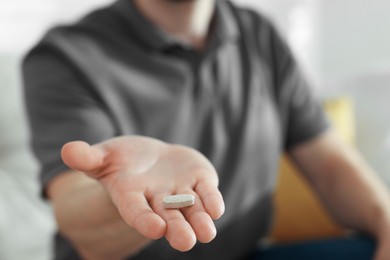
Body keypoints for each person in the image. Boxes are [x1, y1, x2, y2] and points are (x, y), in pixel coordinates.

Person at [22, 0, 390, 259]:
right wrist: (122, 197)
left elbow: (329, 165)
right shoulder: (65, 54)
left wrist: (386, 221)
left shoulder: (259, 34)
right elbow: (78, 216)